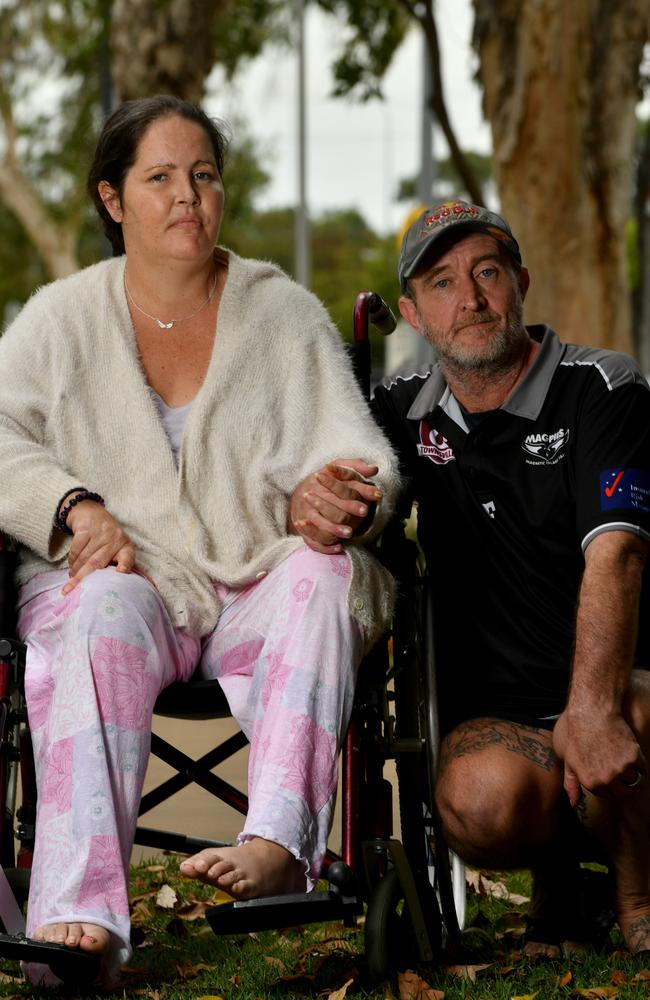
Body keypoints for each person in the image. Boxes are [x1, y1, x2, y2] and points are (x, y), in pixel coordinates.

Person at [0, 95, 399, 985]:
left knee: (324, 574)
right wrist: (71, 506)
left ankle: (277, 841)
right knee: (99, 604)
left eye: (204, 175)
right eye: (161, 177)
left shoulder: (280, 310)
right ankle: (78, 918)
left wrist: (333, 497)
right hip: (128, 584)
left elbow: (357, 451)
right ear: (113, 199)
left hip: (248, 581)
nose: (188, 195)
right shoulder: (62, 320)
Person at [298, 199, 650, 960]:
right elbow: (321, 466)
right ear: (414, 314)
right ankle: (563, 881)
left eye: (487, 271)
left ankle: (634, 896)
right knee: (478, 801)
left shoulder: (604, 387)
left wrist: (590, 709)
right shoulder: (398, 414)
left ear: (520, 280)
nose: (472, 298)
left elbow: (617, 552)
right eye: (443, 282)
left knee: (638, 721)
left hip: (621, 686)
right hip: (501, 721)